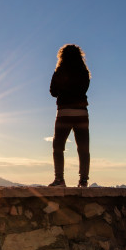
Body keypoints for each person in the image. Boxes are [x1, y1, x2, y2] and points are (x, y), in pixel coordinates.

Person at [48, 44, 90, 187]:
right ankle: (83, 180)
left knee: (58, 147)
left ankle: (59, 179)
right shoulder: (84, 72)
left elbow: (53, 91)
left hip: (64, 113)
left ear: (62, 56)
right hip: (81, 113)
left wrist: (63, 90)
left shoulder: (59, 71)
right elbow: (85, 88)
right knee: (83, 148)